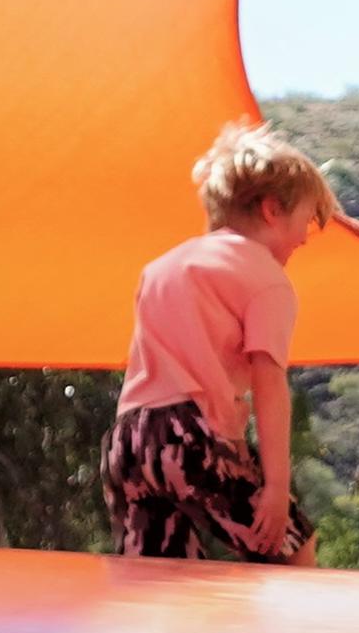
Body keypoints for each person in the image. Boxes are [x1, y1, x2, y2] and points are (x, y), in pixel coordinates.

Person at [106, 118, 338, 563]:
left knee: (158, 579)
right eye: (304, 221)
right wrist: (275, 486)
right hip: (192, 436)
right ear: (272, 210)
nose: (304, 239)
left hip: (130, 442)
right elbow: (269, 385)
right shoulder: (266, 280)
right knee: (292, 548)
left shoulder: (162, 267)